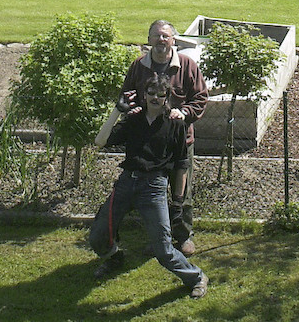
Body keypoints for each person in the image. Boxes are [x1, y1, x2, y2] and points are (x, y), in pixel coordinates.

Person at [89, 72, 209, 299]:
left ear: (167, 97)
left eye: (160, 94)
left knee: (163, 249)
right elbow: (100, 141)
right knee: (98, 235)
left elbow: (182, 165)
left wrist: (177, 202)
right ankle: (114, 257)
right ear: (144, 95)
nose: (155, 98)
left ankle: (197, 277)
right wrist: (117, 110)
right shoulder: (133, 119)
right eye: (151, 93)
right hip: (126, 183)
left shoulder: (175, 125)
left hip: (154, 187)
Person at [119, 19, 208, 256]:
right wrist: (132, 109)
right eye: (156, 36)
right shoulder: (138, 67)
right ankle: (159, 237)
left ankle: (183, 236)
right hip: (149, 145)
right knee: (153, 194)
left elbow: (200, 97)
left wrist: (185, 112)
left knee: (182, 194)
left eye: (165, 36)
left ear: (173, 40)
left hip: (180, 143)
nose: (161, 40)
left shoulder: (187, 66)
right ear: (149, 40)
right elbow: (126, 97)